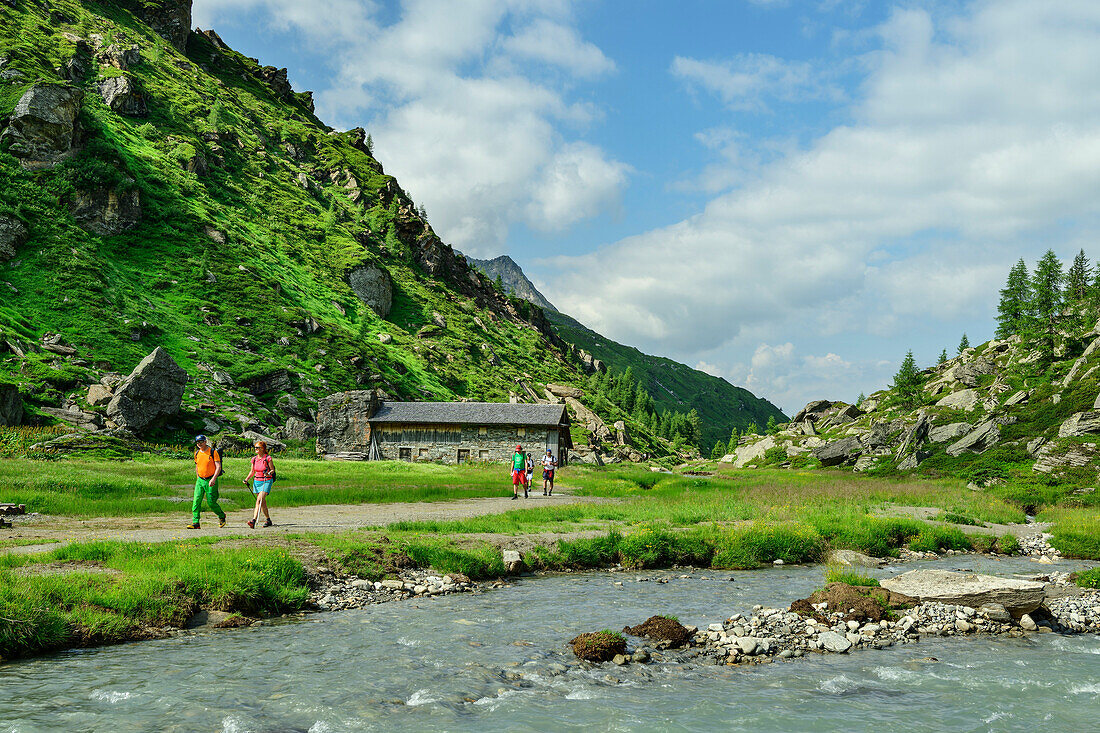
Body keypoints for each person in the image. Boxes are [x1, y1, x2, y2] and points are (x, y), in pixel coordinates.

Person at [188, 435, 226, 529]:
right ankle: (195, 522)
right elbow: (197, 466)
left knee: (211, 502)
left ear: (205, 442)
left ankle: (221, 516)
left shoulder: (213, 452)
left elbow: (218, 467)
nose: (199, 444)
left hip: (211, 480)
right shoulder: (197, 453)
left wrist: (213, 478)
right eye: (197, 442)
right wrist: (198, 478)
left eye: (201, 442)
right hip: (200, 480)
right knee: (196, 501)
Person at [243, 440, 275, 528]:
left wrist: (268, 473)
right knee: (262, 502)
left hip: (266, 481)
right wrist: (246, 479)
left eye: (258, 447)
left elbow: (272, 470)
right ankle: (268, 520)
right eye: (255, 447)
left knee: (259, 500)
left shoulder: (268, 458)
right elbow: (252, 471)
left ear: (263, 449)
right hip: (257, 481)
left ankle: (253, 520)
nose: (256, 449)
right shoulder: (254, 459)